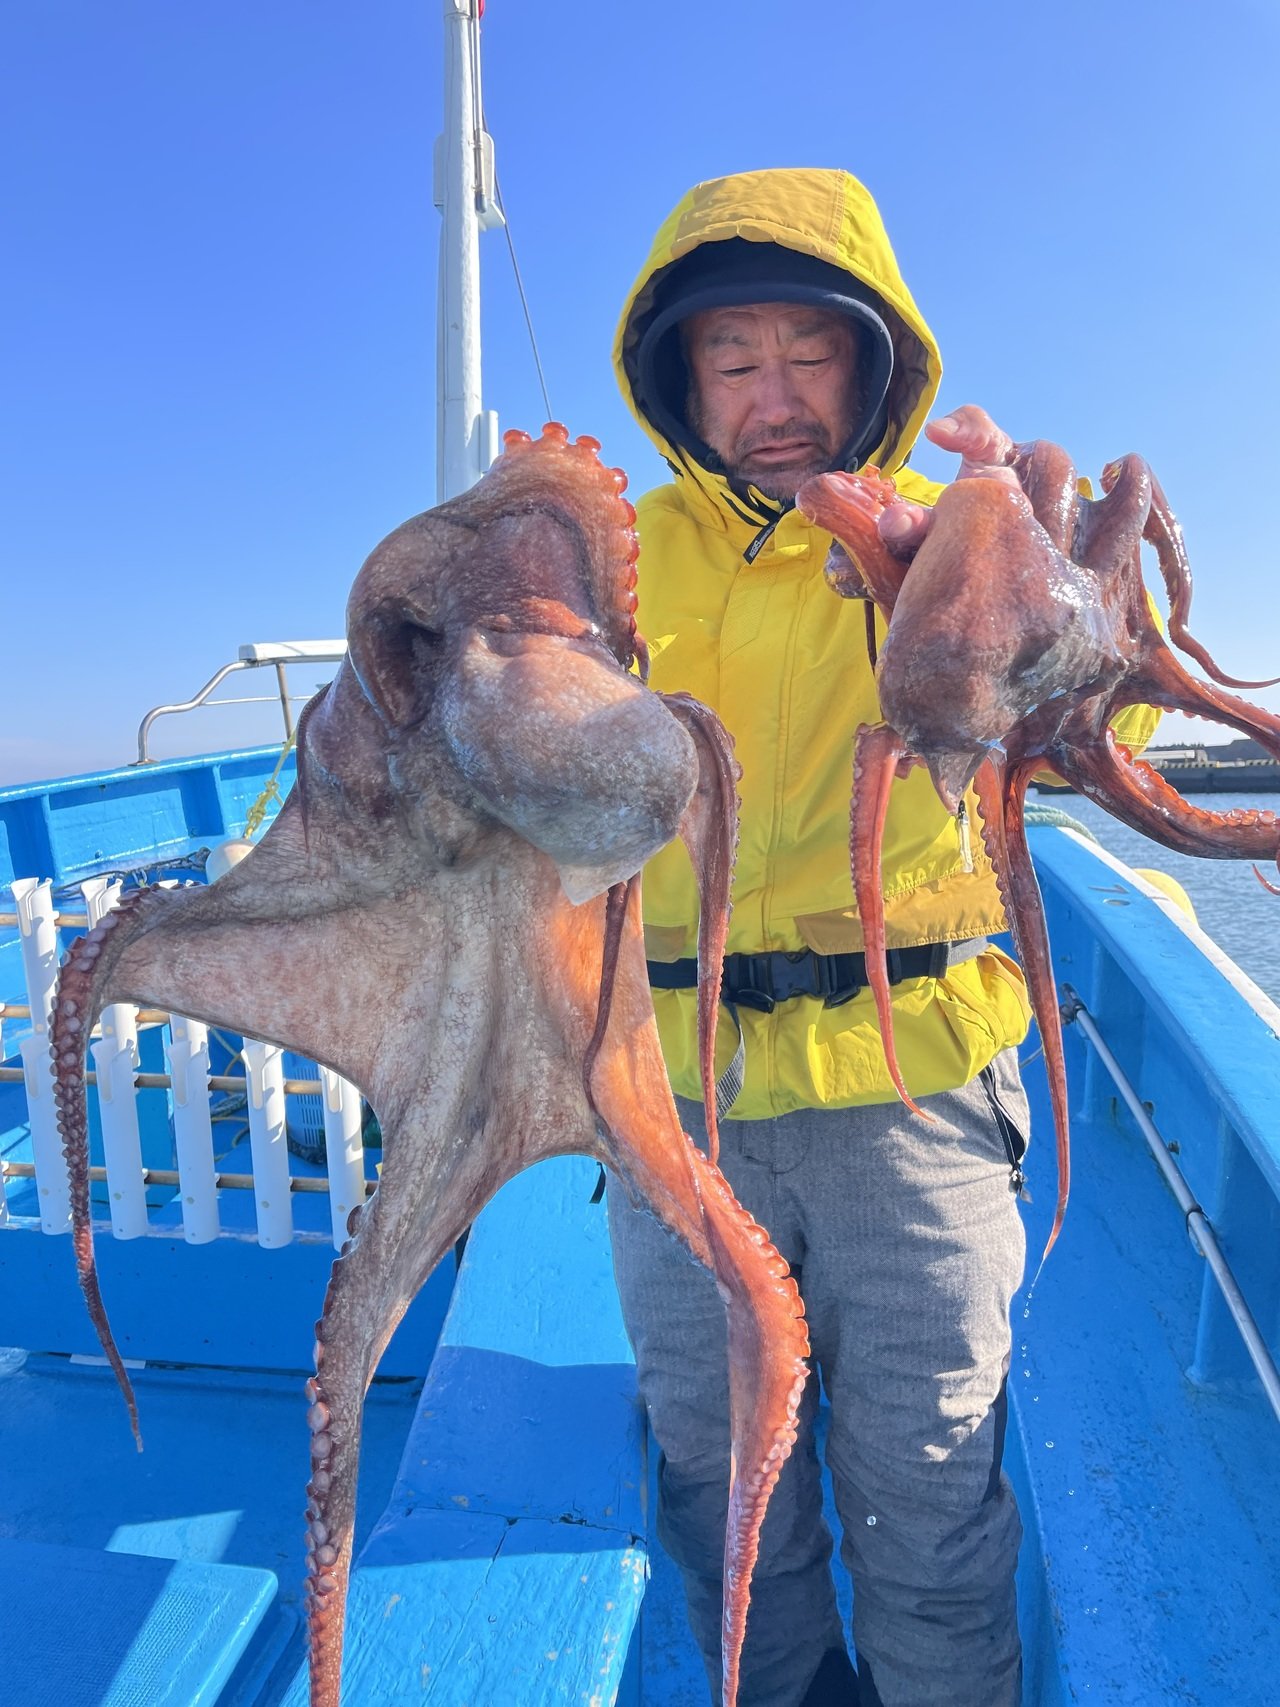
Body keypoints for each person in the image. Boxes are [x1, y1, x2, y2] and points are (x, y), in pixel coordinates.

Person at [605, 168, 1158, 1707]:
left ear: (875, 362)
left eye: (809, 352)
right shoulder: (610, 557)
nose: (773, 396)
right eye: (732, 358)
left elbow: (1087, 718)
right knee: (724, 1493)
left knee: (929, 1490)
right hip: (678, 1106)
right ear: (680, 382)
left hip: (913, 1099)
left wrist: (1078, 628)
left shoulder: (957, 529)